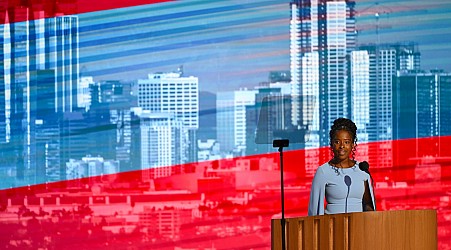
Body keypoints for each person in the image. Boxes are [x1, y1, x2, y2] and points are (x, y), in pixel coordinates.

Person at [308, 118, 375, 216]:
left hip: (358, 227)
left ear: (352, 145)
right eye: (337, 142)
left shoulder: (361, 169)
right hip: (332, 227)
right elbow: (315, 210)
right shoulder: (323, 171)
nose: (342, 146)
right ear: (331, 144)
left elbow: (368, 205)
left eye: (346, 142)